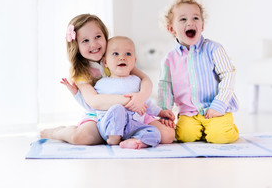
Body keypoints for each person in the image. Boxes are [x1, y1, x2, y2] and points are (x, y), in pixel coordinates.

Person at [40, 14, 175, 145]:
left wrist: (140, 97)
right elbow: (94, 101)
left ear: (105, 36)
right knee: (80, 137)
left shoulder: (116, 56)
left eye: (98, 37)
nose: (93, 44)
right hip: (100, 116)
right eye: (85, 40)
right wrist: (130, 101)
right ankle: (56, 132)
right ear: (76, 46)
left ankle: (131, 137)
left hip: (133, 113)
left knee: (168, 135)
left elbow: (145, 79)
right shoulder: (81, 71)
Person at [158, 0, 239, 144]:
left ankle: (222, 127)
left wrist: (219, 105)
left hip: (214, 108)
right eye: (183, 19)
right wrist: (164, 112)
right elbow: (165, 87)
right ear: (171, 29)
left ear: (202, 26)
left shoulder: (214, 49)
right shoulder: (170, 59)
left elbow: (228, 74)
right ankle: (203, 130)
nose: (190, 22)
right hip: (189, 113)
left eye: (196, 18)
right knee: (185, 136)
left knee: (220, 136)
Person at [95, 36, 175, 149]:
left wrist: (160, 113)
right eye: (116, 54)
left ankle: (137, 142)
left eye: (128, 54)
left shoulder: (137, 81)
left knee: (154, 132)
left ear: (134, 61)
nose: (122, 58)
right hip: (111, 125)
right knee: (117, 108)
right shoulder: (101, 84)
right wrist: (76, 93)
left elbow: (146, 103)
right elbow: (91, 103)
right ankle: (114, 137)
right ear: (105, 61)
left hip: (133, 126)